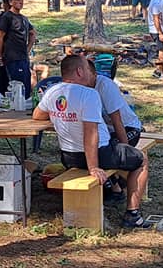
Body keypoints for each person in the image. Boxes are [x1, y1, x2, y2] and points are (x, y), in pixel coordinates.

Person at [33, 55, 149, 228]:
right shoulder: (89, 94)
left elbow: (37, 115)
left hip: (68, 156)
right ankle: (132, 214)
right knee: (142, 160)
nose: (92, 74)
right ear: (80, 72)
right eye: (88, 70)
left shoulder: (53, 91)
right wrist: (93, 167)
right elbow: (90, 133)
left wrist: (62, 115)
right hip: (100, 154)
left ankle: (115, 188)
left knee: (119, 151)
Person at [0, 0, 36, 97]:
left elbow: (32, 33)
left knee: (26, 87)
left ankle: (25, 105)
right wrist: (1, 54)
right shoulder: (7, 17)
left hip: (23, 57)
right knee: (17, 87)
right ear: (10, 2)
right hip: (12, 58)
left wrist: (28, 49)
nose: (20, 1)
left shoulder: (24, 18)